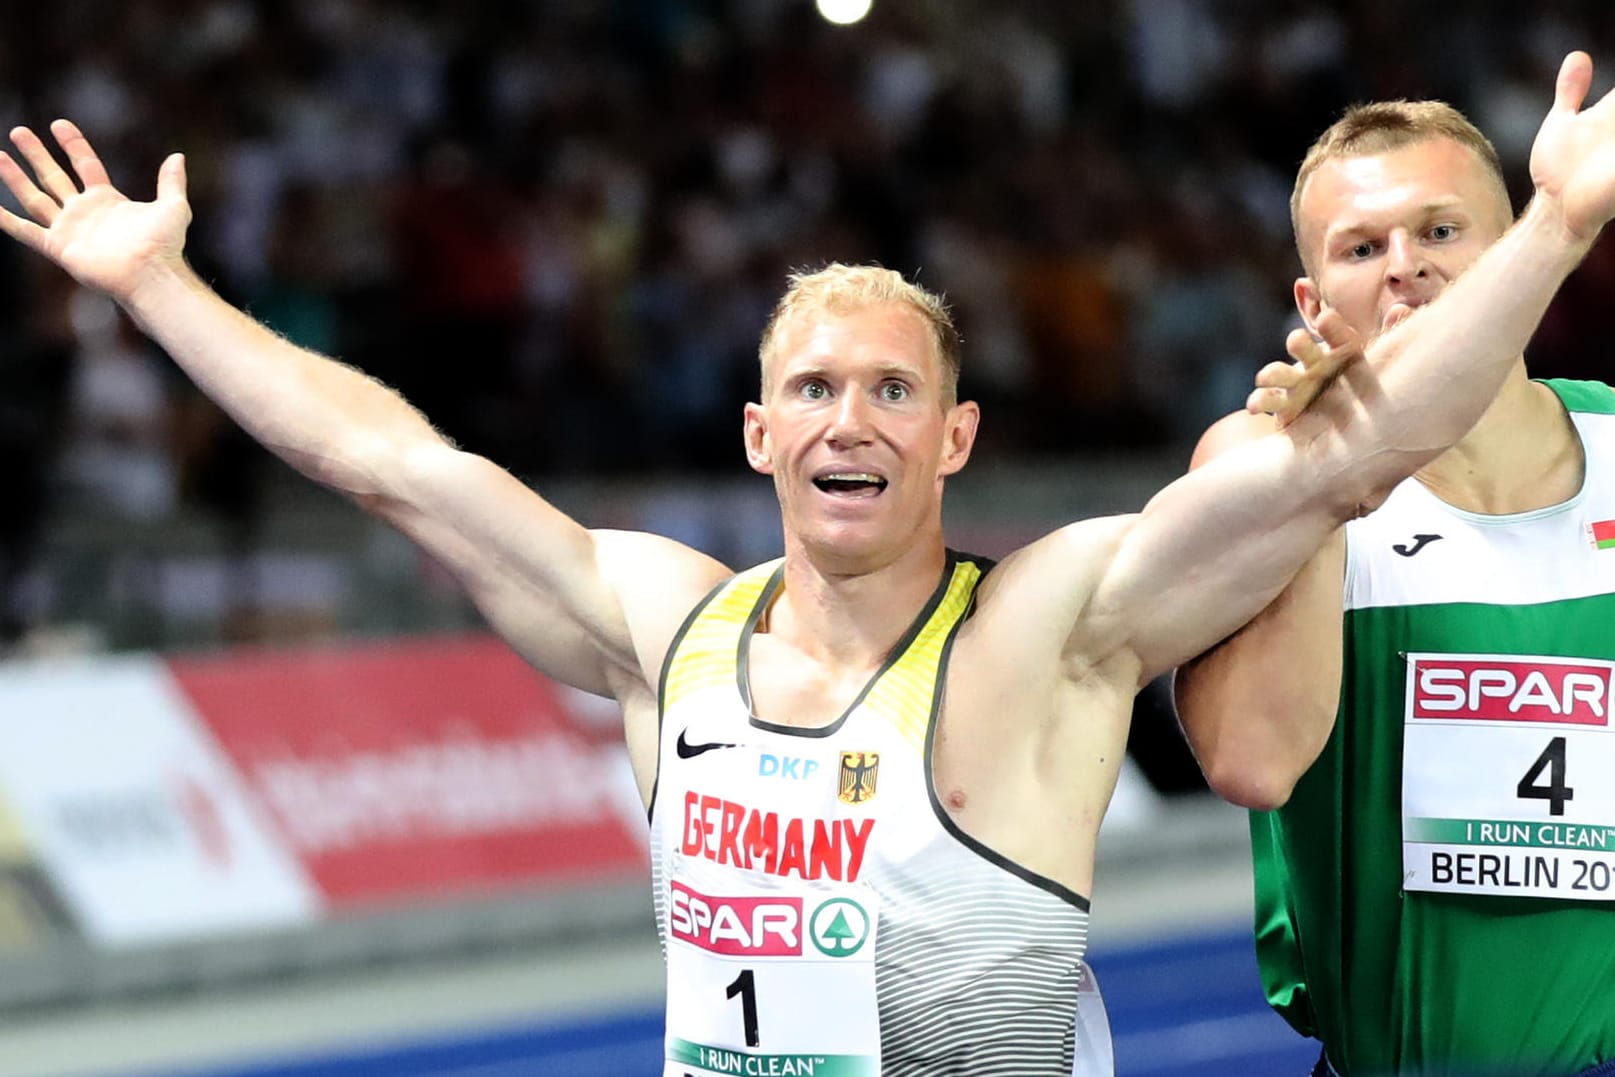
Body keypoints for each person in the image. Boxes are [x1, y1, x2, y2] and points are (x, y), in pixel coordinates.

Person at [3, 50, 1613, 1077]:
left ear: (955, 440)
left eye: (894, 390)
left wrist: (1542, 237)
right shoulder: (660, 632)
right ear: (762, 435)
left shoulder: (1039, 637)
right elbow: (386, 464)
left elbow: (1339, 460)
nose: (854, 421)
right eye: (817, 391)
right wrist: (156, 289)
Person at [1174, 53, 1615, 1077]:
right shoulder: (1262, 469)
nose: (1403, 263)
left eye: (1440, 230)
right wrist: (1324, 474)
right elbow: (1248, 757)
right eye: (1361, 246)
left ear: (1509, 247)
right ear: (1310, 291)